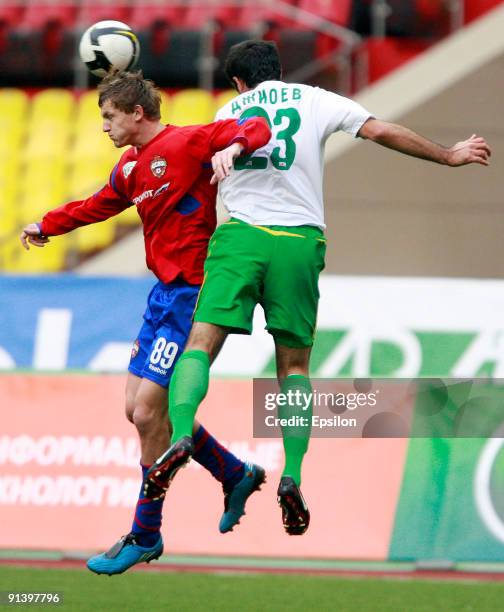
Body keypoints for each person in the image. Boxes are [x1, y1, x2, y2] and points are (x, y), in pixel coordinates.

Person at [143, 39, 492, 536]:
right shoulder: (316, 99)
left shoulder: (229, 109)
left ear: (239, 82)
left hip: (241, 237)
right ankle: (292, 474)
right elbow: (381, 130)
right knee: (294, 368)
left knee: (199, 346)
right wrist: (449, 155)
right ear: (280, 71)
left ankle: (180, 437)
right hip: (299, 243)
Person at [20, 70, 271, 573]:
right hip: (160, 295)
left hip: (192, 293)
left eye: (110, 117)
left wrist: (236, 145)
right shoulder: (129, 168)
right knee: (135, 408)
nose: (104, 127)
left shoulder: (185, 142)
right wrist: (48, 224)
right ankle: (233, 471)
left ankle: (145, 532)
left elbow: (259, 124)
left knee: (150, 414)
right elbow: (96, 206)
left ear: (137, 113)